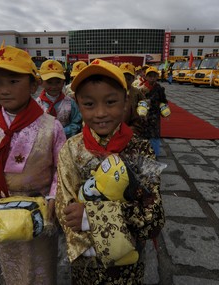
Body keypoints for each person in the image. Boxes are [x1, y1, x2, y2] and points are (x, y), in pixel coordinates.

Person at [55, 59, 165, 285]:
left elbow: (154, 217)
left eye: (111, 102)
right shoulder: (71, 150)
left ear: (126, 102)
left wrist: (91, 216)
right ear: (78, 104)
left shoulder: (140, 149)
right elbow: (65, 210)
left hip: (127, 263)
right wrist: (85, 232)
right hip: (87, 263)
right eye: (89, 104)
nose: (101, 113)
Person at [0, 46, 66, 284]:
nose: (4, 90)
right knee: (12, 260)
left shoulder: (51, 127)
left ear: (33, 86)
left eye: (13, 81)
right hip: (3, 207)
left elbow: (61, 169)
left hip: (39, 206)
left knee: (41, 263)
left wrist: (54, 197)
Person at [36, 59, 82, 139]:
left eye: (58, 82)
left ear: (63, 82)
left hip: (65, 141)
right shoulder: (37, 104)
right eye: (49, 82)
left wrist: (62, 131)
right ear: (41, 82)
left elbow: (76, 122)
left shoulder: (70, 103)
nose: (54, 87)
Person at [140, 66, 169, 158]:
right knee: (143, 134)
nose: (152, 78)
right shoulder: (142, 89)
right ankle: (144, 153)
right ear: (146, 77)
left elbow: (164, 101)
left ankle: (155, 154)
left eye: (154, 76)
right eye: (150, 76)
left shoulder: (160, 89)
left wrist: (164, 109)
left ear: (157, 77)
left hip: (155, 115)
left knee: (155, 135)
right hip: (144, 115)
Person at [119, 62, 145, 136]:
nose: (126, 81)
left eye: (128, 79)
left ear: (133, 78)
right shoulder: (113, 91)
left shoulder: (137, 93)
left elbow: (144, 106)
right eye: (123, 78)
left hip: (132, 130)